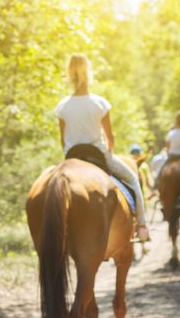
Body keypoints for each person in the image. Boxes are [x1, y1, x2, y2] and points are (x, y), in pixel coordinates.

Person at [55, 53, 151, 241]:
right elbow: (110, 138)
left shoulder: (63, 106)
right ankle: (141, 226)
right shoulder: (100, 103)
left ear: (69, 74)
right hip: (98, 154)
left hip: (72, 156)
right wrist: (109, 153)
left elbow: (63, 140)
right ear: (89, 72)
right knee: (132, 179)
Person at [156, 112, 180, 180]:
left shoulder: (171, 133)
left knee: (162, 169)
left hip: (172, 156)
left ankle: (155, 185)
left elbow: (168, 148)